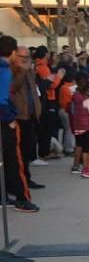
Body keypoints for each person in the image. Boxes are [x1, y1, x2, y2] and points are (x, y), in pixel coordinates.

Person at [0, 37, 38, 212]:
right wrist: (10, 119)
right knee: (14, 160)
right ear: (13, 53)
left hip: (19, 114)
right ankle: (22, 198)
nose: (24, 60)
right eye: (22, 56)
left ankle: (5, 195)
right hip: (8, 120)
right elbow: (3, 98)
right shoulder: (6, 70)